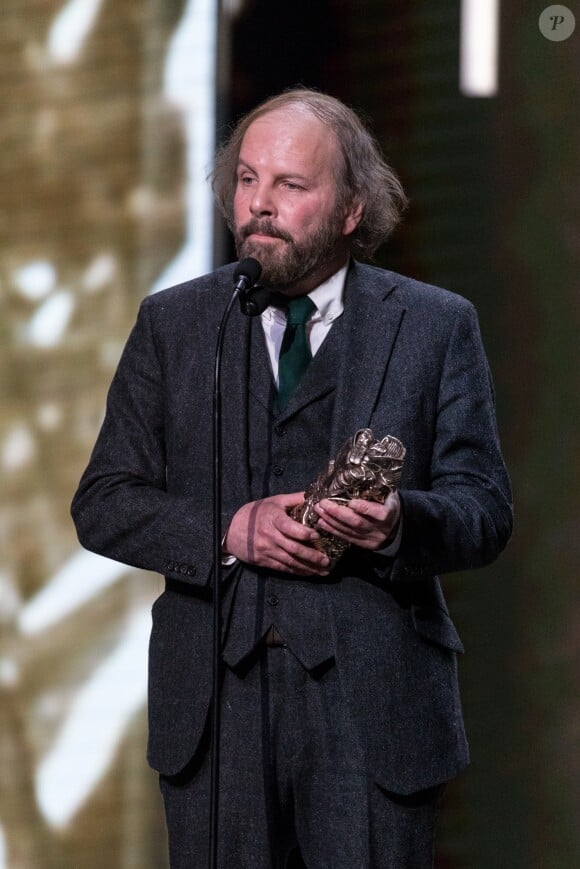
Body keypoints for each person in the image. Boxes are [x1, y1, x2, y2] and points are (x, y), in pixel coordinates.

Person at [71, 88, 513, 868]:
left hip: (372, 706)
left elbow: (484, 509)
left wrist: (400, 523)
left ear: (350, 209)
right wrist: (227, 529)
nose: (258, 206)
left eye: (289, 186)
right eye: (246, 180)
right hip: (216, 704)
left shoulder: (436, 324)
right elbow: (104, 501)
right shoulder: (174, 323)